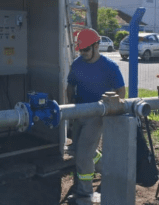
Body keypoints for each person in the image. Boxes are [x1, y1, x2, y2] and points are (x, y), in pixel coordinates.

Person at [66, 28, 125, 205]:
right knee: (79, 150)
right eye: (81, 50)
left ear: (97, 46)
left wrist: (111, 112)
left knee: (84, 156)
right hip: (80, 112)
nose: (83, 53)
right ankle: (109, 171)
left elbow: (121, 92)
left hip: (98, 116)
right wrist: (72, 109)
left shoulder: (109, 67)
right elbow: (70, 86)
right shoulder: (77, 64)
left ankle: (85, 195)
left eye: (86, 50)